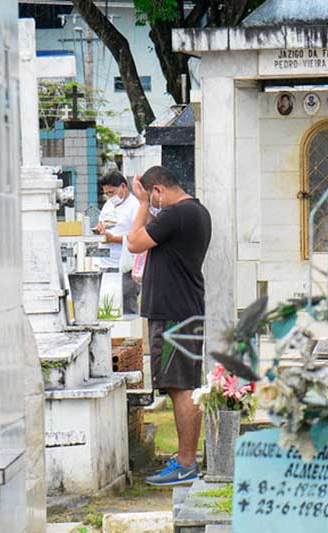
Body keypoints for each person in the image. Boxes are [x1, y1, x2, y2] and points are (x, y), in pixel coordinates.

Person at [127, 165, 212, 486]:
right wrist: (148, 207)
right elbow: (151, 235)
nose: (152, 205)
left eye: (153, 198)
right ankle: (185, 459)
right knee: (183, 385)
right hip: (182, 310)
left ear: (158, 190)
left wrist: (142, 204)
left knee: (181, 388)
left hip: (174, 314)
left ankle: (186, 463)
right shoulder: (193, 213)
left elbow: (134, 243)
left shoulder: (177, 214)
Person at [96, 171, 141, 314]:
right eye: (106, 193)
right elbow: (102, 223)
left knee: (127, 308)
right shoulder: (108, 205)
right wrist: (100, 229)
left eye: (112, 192)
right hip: (105, 265)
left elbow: (138, 238)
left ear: (123, 186)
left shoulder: (135, 206)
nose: (110, 196)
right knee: (107, 309)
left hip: (125, 267)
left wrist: (113, 239)